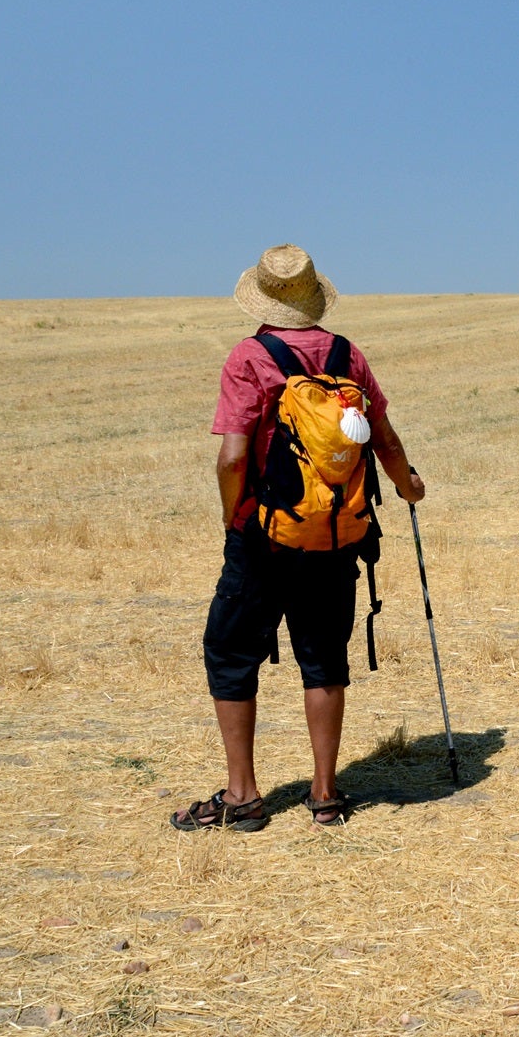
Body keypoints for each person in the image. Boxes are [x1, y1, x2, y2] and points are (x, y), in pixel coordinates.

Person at [172, 244, 424, 832]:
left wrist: (236, 519)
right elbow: (383, 440)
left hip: (265, 535)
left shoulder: (249, 357)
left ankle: (242, 797)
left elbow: (233, 457)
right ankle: (326, 795)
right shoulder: (346, 355)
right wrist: (407, 486)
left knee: (231, 654)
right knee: (324, 659)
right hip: (337, 534)